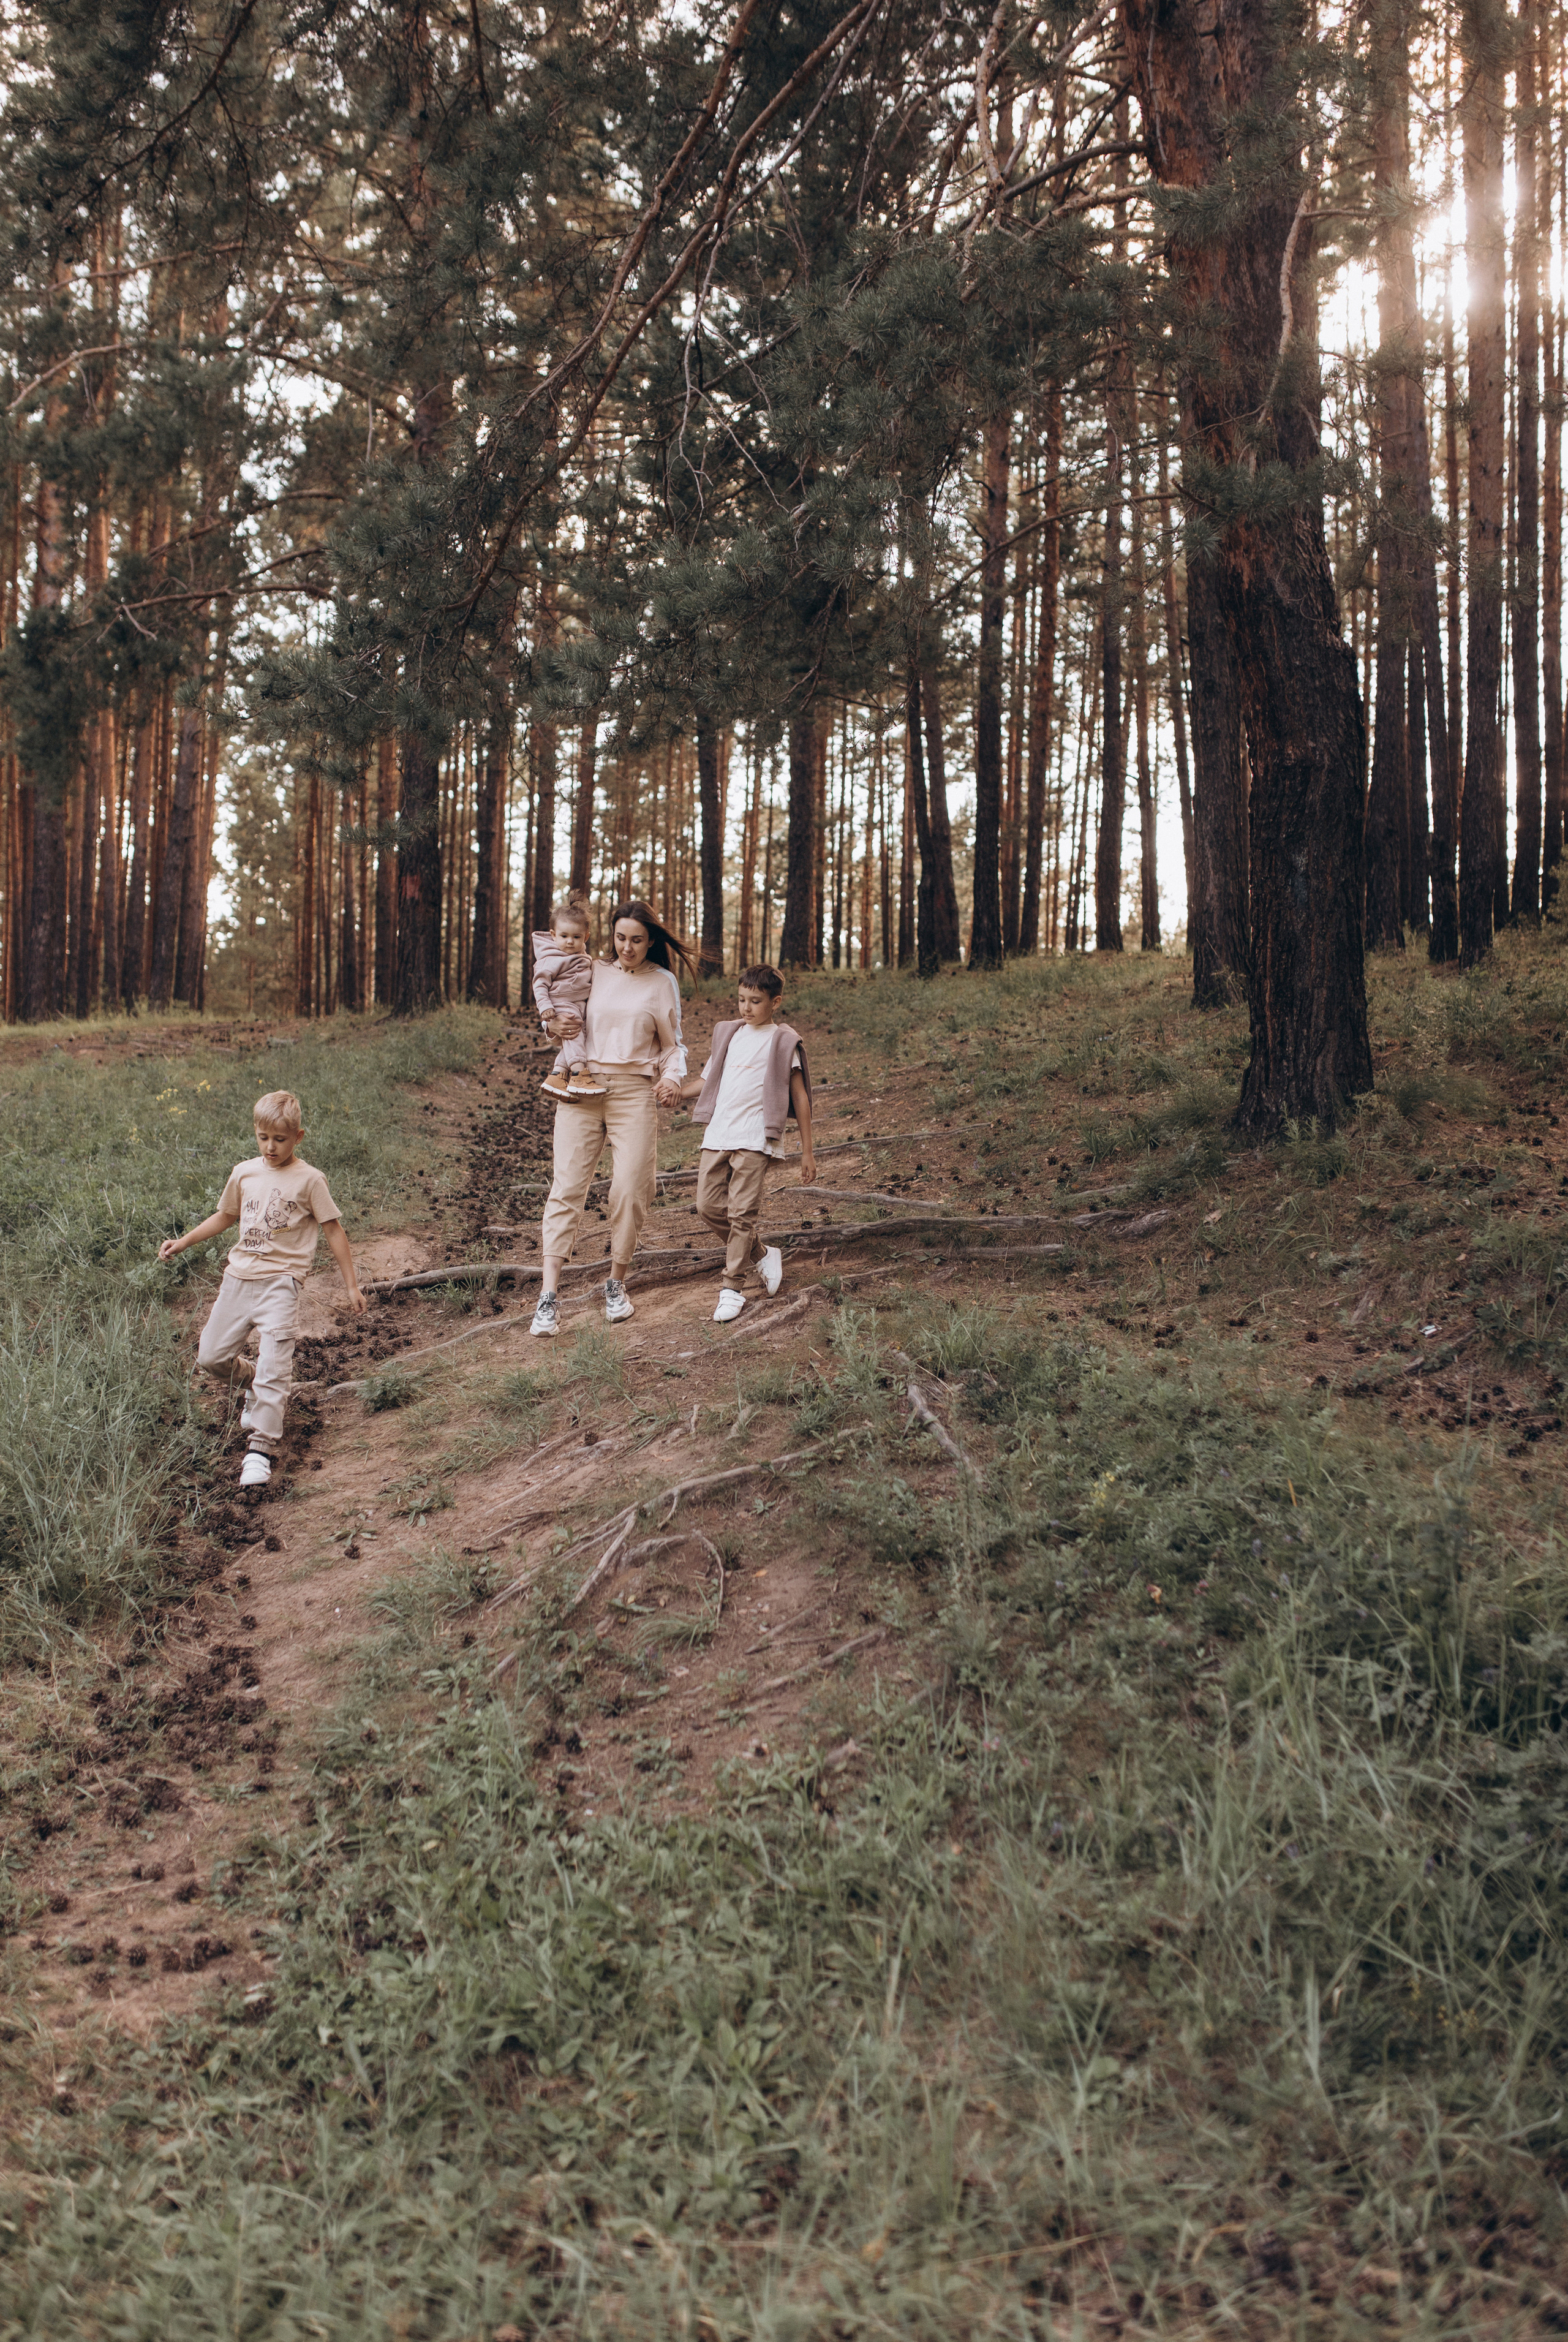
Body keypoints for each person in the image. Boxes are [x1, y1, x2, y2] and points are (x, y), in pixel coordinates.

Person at [157, 1089, 368, 1487]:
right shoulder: (245, 1172)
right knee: (211, 1357)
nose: (271, 1147)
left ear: (299, 1137)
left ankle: (260, 1449)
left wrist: (351, 1285)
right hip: (238, 1278)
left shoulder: (310, 1180)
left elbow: (334, 1230)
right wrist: (183, 1241)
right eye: (263, 1137)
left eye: (281, 1139)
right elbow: (225, 1215)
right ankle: (252, 1382)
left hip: (281, 1284)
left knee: (275, 1367)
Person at [532, 900, 690, 1336]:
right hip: (581, 1086)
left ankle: (616, 1283)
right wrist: (553, 1028)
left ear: (651, 941)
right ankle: (548, 1297)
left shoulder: (663, 982)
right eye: (621, 938)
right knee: (565, 1187)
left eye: (637, 940)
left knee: (630, 1188)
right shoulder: (593, 969)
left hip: (634, 1091)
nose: (628, 947)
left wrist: (673, 1079)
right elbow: (562, 1004)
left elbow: (673, 1044)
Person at [685, 964, 816, 1321]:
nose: (746, 1008)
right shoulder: (729, 1035)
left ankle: (732, 1288)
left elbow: (800, 1097)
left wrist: (807, 1150)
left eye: (755, 1001)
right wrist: (675, 1093)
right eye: (741, 999)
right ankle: (760, 1253)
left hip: (755, 1136)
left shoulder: (782, 1041)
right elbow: (706, 1078)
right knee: (708, 1207)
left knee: (742, 1213)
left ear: (775, 1003)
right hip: (719, 1132)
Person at [532, 893, 606, 1101]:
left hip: (578, 1002)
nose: (570, 942)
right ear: (553, 935)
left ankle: (557, 1074)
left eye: (576, 937)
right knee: (573, 1032)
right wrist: (545, 1008)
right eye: (564, 936)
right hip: (561, 1002)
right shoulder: (551, 958)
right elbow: (539, 983)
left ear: (586, 937)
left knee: (579, 1035)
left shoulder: (582, 956)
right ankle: (578, 1073)